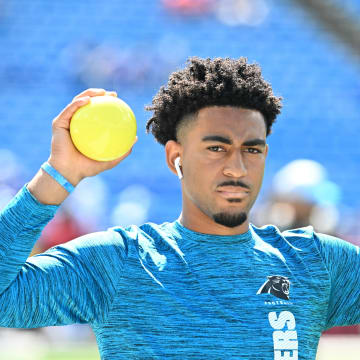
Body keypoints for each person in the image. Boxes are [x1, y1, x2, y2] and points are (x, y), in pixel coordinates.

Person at [0, 57, 359, 360]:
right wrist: (59, 174)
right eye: (217, 148)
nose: (237, 167)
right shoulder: (119, 262)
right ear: (176, 157)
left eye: (252, 149)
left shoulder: (315, 262)